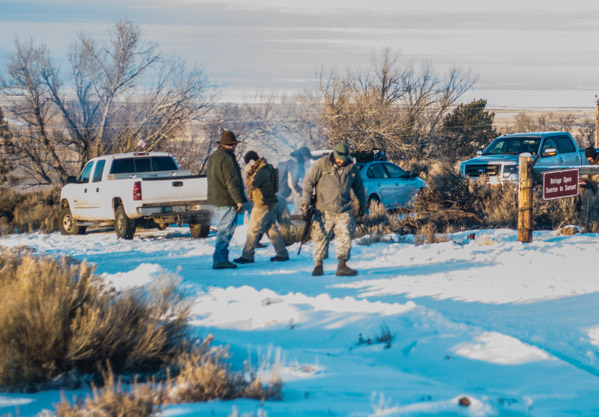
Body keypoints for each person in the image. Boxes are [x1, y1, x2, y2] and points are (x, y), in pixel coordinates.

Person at [301, 142, 366, 276]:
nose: (341, 161)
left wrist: (362, 204)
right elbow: (308, 182)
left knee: (345, 236)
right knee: (320, 237)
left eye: (343, 159)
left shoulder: (351, 168)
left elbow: (359, 187)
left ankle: (342, 265)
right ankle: (318, 265)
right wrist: (306, 202)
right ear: (334, 155)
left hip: (344, 209)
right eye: (339, 158)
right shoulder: (321, 164)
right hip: (323, 209)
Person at [234, 151, 289, 264]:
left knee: (253, 230)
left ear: (251, 161)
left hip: (262, 204)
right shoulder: (266, 168)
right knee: (271, 229)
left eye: (248, 163)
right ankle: (282, 253)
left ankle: (247, 255)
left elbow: (251, 185)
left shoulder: (261, 171)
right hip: (269, 203)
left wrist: (248, 172)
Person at [207, 130, 247, 269]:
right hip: (226, 199)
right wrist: (238, 200)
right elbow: (231, 181)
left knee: (222, 229)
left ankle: (220, 258)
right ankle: (220, 259)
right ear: (230, 145)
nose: (235, 147)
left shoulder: (213, 157)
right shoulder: (227, 158)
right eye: (234, 144)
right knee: (225, 231)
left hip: (216, 198)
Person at [275, 146, 313, 227]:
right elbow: (293, 182)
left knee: (282, 217)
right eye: (307, 158)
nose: (307, 160)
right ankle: (296, 231)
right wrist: (301, 192)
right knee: (296, 212)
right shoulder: (295, 163)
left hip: (277, 192)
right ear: (303, 156)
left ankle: (286, 234)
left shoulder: (284, 161)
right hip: (283, 193)